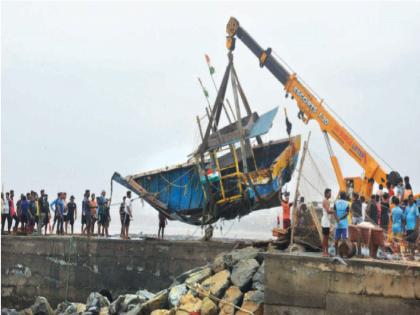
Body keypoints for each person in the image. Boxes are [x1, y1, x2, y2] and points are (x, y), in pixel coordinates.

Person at [321, 188, 334, 257]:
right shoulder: (325, 201)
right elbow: (328, 211)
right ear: (326, 194)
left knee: (327, 237)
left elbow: (329, 211)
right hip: (325, 221)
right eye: (329, 193)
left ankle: (326, 251)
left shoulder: (328, 201)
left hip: (327, 221)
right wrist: (334, 211)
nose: (330, 194)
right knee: (325, 237)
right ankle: (324, 252)